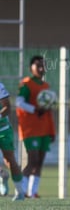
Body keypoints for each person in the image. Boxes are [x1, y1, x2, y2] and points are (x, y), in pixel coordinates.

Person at [16, 55, 56, 198]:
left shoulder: (46, 87)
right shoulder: (26, 84)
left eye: (43, 66)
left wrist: (52, 131)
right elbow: (19, 102)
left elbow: (48, 111)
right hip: (30, 130)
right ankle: (21, 190)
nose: (41, 68)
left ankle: (32, 193)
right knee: (32, 161)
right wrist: (35, 109)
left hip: (44, 129)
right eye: (38, 65)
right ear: (30, 68)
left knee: (39, 162)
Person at [0, 82, 25, 201]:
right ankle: (1, 175)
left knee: (9, 159)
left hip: (3, 129)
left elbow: (7, 107)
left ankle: (20, 192)